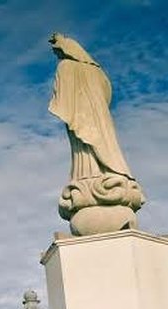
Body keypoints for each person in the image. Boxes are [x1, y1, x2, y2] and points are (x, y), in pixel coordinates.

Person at [48, 33, 143, 233]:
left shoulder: (66, 67)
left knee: (88, 149)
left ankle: (97, 180)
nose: (59, 56)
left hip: (82, 118)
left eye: (59, 52)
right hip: (99, 120)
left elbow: (61, 96)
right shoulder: (97, 72)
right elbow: (106, 92)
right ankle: (101, 177)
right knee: (94, 149)